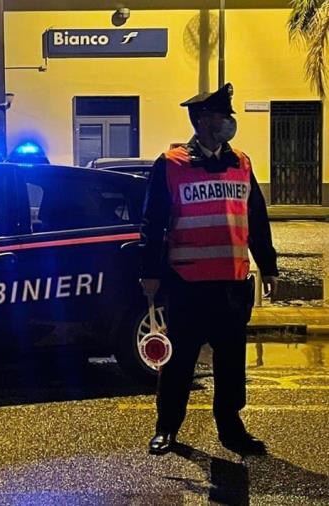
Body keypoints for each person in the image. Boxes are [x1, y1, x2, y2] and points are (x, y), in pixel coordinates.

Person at [139, 83, 279, 456]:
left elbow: (256, 219)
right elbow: (152, 223)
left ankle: (231, 429)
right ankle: (167, 428)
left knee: (231, 363)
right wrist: (150, 273)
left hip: (232, 284)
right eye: (222, 116)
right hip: (188, 283)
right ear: (202, 121)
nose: (229, 123)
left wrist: (269, 266)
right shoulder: (171, 164)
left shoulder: (242, 163)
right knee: (180, 361)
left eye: (229, 116)